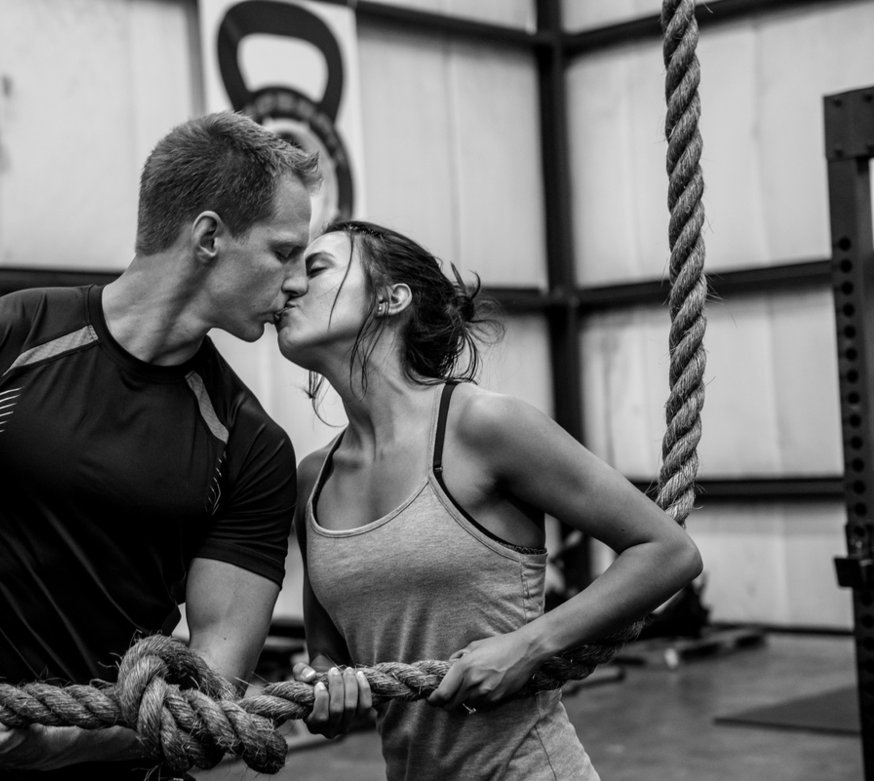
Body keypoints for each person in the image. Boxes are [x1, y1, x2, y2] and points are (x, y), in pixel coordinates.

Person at [0, 111, 320, 779]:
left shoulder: (250, 443)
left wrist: (52, 746)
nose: (299, 280)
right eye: (283, 251)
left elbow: (213, 699)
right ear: (209, 237)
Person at [274, 220, 703, 780]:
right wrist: (324, 689)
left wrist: (528, 647)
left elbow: (669, 551)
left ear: (390, 298)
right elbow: (329, 653)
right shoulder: (315, 478)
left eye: (316, 268)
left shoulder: (482, 426)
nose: (288, 287)